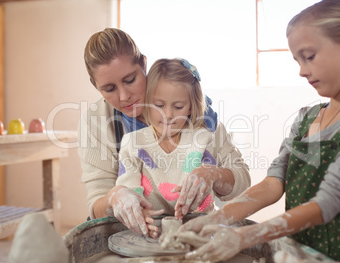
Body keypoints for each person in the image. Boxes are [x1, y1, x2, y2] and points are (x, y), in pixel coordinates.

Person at [178, 1, 340, 263]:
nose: (302, 70)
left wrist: (245, 236)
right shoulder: (305, 119)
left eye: (309, 56)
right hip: (299, 258)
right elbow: (273, 184)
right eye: (297, 60)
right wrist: (217, 218)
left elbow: (326, 204)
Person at [78, 28, 251, 237]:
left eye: (130, 79)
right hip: (136, 233)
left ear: (143, 64)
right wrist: (115, 197)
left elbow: (241, 180)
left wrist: (213, 175)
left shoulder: (194, 110)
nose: (124, 96)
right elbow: (96, 206)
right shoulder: (97, 121)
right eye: (109, 89)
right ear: (96, 86)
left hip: (194, 231)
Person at [115, 58, 248, 238]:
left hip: (202, 233)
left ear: (192, 106)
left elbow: (243, 180)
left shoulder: (205, 136)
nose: (168, 115)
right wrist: (138, 214)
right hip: (150, 235)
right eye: (159, 105)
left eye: (178, 106)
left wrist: (213, 174)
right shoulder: (133, 143)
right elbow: (127, 189)